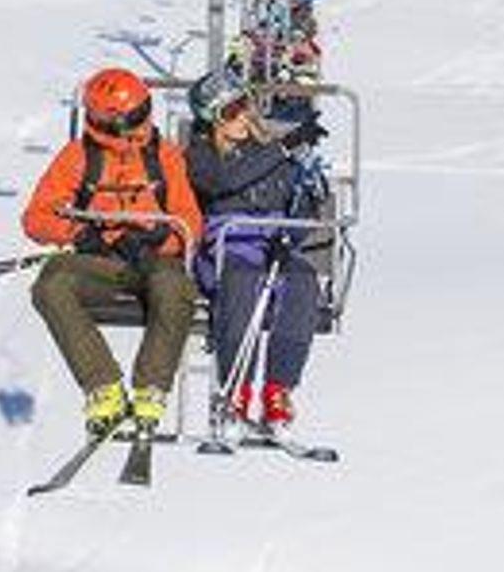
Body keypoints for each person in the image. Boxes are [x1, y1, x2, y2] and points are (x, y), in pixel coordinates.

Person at [23, 66, 201, 438]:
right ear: (108, 122)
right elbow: (36, 218)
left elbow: (190, 222)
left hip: (153, 261)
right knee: (52, 283)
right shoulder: (78, 158)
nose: (143, 124)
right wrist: (80, 233)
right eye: (134, 118)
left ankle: (151, 388)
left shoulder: (164, 156)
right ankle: (103, 386)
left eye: (144, 111)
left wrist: (158, 239)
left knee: (175, 287)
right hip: (101, 263)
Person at [186, 70, 327, 432]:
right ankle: (236, 391)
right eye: (230, 111)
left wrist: (307, 194)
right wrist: (282, 148)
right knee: (242, 280)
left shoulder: (271, 153)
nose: (242, 116)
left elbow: (299, 210)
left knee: (303, 280)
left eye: (244, 105)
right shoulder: (201, 155)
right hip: (226, 247)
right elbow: (225, 181)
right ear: (213, 120)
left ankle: (278, 390)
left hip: (273, 246)